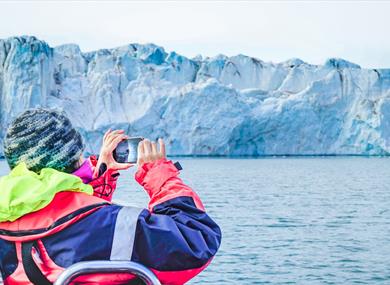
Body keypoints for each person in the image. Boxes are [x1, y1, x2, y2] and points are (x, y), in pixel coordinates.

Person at [0, 108, 221, 285]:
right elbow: (196, 242)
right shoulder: (109, 223)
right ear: (74, 157)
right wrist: (159, 174)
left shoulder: (6, 219)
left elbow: (65, 220)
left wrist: (100, 173)